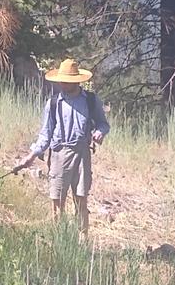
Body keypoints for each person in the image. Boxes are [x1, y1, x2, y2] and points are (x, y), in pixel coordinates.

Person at [16, 58, 110, 234]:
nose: (63, 84)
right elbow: (45, 134)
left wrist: (99, 133)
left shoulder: (90, 100)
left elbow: (103, 124)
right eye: (62, 81)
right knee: (57, 199)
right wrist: (31, 156)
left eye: (66, 81)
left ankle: (83, 240)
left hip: (82, 154)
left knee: (81, 198)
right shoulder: (53, 103)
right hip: (59, 154)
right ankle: (59, 240)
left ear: (76, 81)